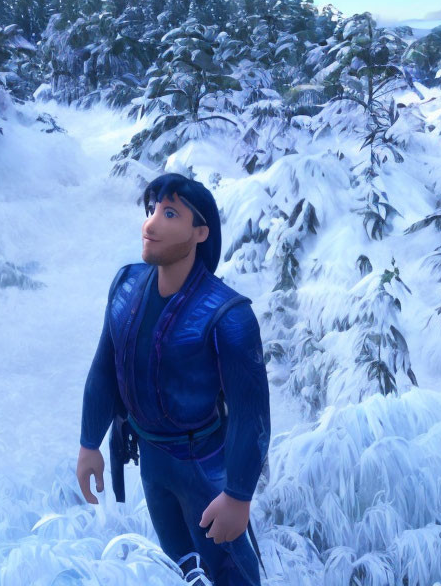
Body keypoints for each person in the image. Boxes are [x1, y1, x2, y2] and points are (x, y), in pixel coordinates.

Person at [76, 172, 271, 586]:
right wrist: (89, 442)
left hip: (203, 462)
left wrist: (238, 494)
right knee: (180, 566)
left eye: (169, 213)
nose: (150, 224)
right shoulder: (126, 286)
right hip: (152, 458)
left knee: (231, 570)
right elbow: (105, 368)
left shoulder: (228, 316)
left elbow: (251, 414)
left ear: (200, 232)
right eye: (151, 211)